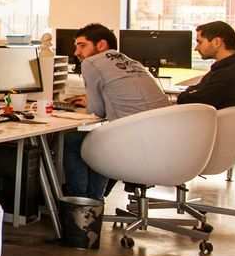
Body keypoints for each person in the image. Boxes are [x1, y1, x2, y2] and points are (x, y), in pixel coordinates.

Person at [63, 23, 171, 203]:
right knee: (99, 139)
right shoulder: (133, 62)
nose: (76, 52)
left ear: (102, 45)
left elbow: (97, 111)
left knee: (72, 140)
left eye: (82, 46)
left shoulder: (91, 62)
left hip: (132, 143)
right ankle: (96, 201)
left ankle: (79, 202)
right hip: (162, 143)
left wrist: (90, 101)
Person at [174, 20, 235, 110]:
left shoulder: (232, 73)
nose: (196, 48)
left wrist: (186, 95)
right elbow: (196, 90)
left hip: (206, 122)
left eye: (200, 42)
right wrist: (192, 92)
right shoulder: (230, 68)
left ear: (216, 42)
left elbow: (190, 100)